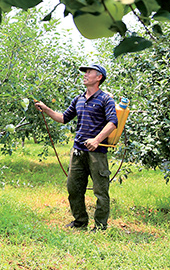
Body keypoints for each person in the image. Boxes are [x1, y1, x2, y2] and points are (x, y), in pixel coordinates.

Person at [34, 64, 118, 231]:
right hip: (78, 151)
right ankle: (80, 222)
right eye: (85, 72)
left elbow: (113, 122)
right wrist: (46, 109)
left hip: (97, 152)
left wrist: (96, 139)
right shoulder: (78, 99)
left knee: (101, 192)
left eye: (89, 72)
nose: (85, 75)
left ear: (99, 77)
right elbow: (64, 118)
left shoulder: (105, 99)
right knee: (74, 188)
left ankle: (101, 226)